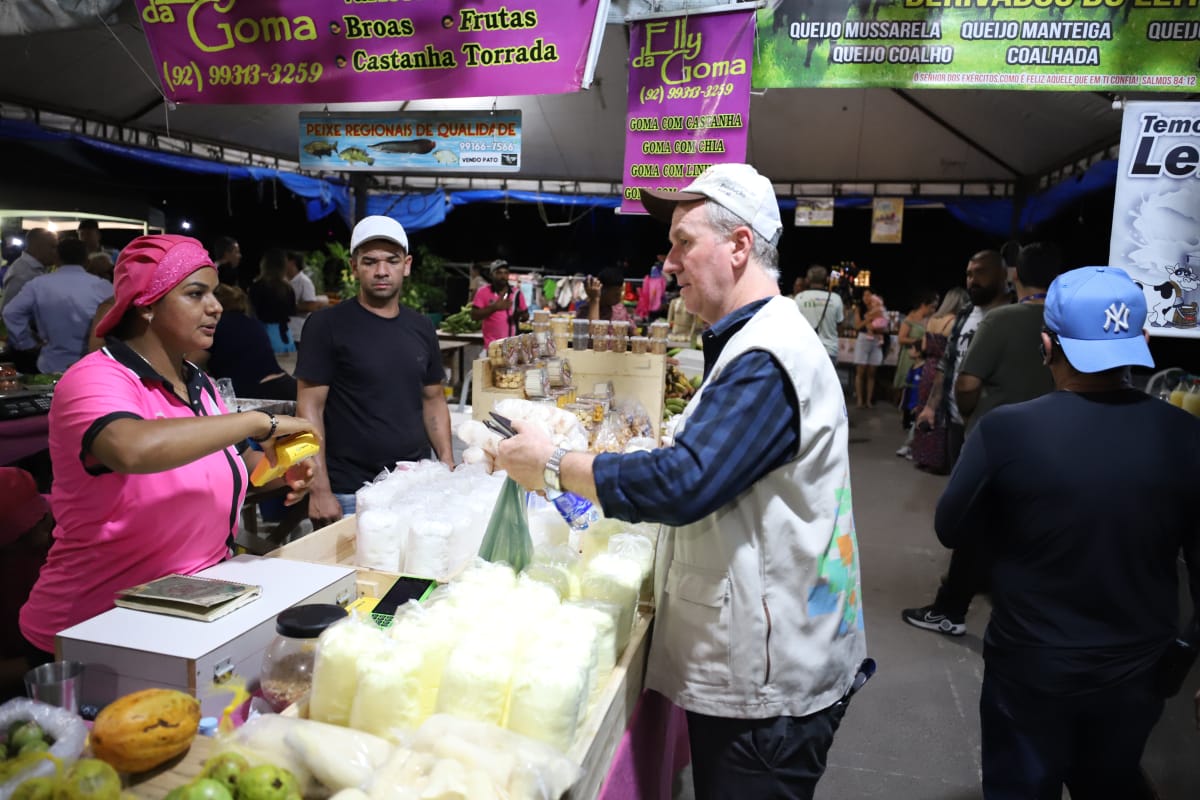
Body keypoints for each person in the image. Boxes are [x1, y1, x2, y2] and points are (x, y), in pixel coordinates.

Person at [495, 163, 869, 800]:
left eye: (683, 242)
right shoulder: (755, 340)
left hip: (769, 687)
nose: (668, 263)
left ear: (739, 245)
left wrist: (554, 464)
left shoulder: (768, 356)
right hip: (772, 651)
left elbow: (684, 482)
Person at [935, 266, 1198, 799]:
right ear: (1142, 342)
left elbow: (951, 527)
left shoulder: (1007, 430)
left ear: (1046, 345)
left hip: (1031, 663)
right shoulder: (1186, 435)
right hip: (1140, 668)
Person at [18, 234, 314, 659]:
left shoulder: (198, 383)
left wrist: (281, 469)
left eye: (214, 293)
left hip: (188, 610)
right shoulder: (95, 378)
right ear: (146, 304)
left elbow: (230, 464)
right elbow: (131, 449)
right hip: (96, 625)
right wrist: (254, 422)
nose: (215, 307)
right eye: (196, 294)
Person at [902, 245, 1060, 637]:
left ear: (1012, 275)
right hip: (1048, 439)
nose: (972, 280)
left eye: (979, 272)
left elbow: (968, 382)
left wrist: (969, 412)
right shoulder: (1065, 320)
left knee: (972, 522)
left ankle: (951, 610)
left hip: (992, 438)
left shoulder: (1002, 319)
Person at [296, 216, 454, 523]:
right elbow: (309, 408)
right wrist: (320, 489)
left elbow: (433, 398)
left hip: (415, 486)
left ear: (406, 265)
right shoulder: (326, 325)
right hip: (351, 492)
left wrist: (447, 462)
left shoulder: (421, 327)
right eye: (370, 262)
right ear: (354, 267)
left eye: (392, 261)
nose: (382, 271)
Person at [913, 250, 1010, 470]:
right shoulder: (965, 314)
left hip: (992, 425)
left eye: (980, 273)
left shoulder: (1012, 314)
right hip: (955, 422)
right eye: (969, 274)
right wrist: (930, 408)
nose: (972, 280)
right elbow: (947, 362)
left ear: (1002, 275)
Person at [2, 237, 112, 374]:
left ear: (57, 259)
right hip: (91, 367)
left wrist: (26, 343)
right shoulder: (104, 287)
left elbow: (10, 312)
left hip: (50, 365)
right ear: (87, 262)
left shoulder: (38, 285)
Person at [0, 468, 52, 699]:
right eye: (20, 536)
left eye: (41, 520)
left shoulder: (69, 524)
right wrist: (51, 659)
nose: (41, 535)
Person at [196, 284, 296, 401]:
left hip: (259, 393)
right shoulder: (251, 321)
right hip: (284, 383)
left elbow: (191, 362)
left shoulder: (217, 325)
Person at [909, 287, 970, 470]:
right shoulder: (954, 322)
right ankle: (937, 461)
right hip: (942, 370)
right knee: (941, 414)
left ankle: (922, 456)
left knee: (924, 409)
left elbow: (925, 347)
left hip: (927, 367)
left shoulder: (932, 320)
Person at [794, 264, 845, 369]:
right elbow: (840, 328)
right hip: (829, 351)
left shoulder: (799, 298)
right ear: (827, 280)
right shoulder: (836, 299)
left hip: (805, 351)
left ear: (807, 280)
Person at [248, 248, 297, 354]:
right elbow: (292, 311)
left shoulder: (257, 287)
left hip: (263, 334)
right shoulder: (288, 288)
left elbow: (251, 313)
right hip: (284, 335)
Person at [0, 228, 57, 318]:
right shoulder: (22, 275)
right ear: (38, 247)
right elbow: (8, 315)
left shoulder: (35, 268)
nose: (56, 252)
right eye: (53, 247)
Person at [470, 260, 528, 347]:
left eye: (506, 273)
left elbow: (525, 316)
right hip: (492, 346)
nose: (503, 276)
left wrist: (521, 315)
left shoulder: (517, 293)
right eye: (499, 273)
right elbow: (474, 315)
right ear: (491, 275)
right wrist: (494, 308)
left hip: (512, 345)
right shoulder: (483, 291)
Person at [850, 290, 888, 408]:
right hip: (863, 338)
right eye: (864, 295)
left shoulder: (879, 308)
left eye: (869, 295)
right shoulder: (859, 309)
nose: (866, 297)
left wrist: (877, 323)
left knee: (872, 371)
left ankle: (869, 400)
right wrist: (869, 318)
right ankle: (860, 400)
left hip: (876, 340)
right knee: (860, 370)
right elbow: (857, 326)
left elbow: (885, 326)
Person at [286, 251, 326, 346]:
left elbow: (311, 306)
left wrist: (286, 307)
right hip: (286, 331)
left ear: (292, 263)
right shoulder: (285, 280)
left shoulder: (304, 282)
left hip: (297, 333)